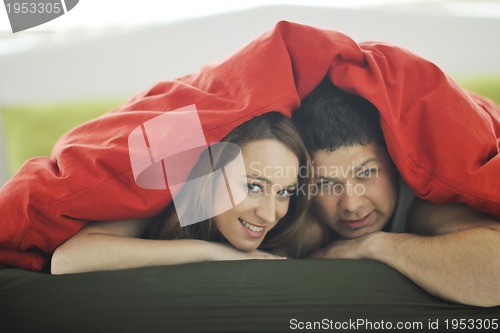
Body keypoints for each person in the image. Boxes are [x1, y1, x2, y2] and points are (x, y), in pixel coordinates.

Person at [291, 79, 500, 307]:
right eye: (325, 184)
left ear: (394, 162)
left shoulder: (424, 205)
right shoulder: (300, 209)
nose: (351, 204)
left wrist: (373, 245)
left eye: (366, 173)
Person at [50, 112, 310, 274]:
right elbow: (66, 261)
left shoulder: (291, 226)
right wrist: (209, 252)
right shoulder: (166, 201)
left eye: (284, 192)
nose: (268, 214)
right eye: (253, 186)